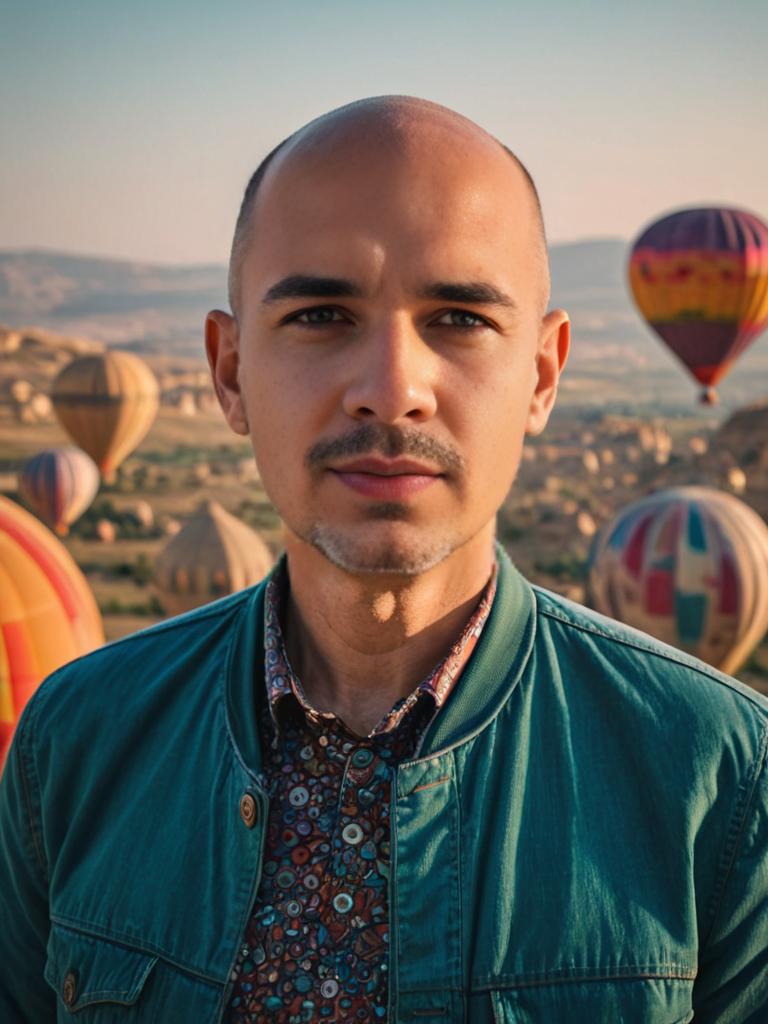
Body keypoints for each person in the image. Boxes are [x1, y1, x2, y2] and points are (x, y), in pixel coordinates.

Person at [1, 96, 766, 1024]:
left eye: (459, 318)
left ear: (543, 374)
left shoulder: (721, 777)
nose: (391, 392)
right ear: (230, 371)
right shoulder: (78, 744)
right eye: (322, 314)